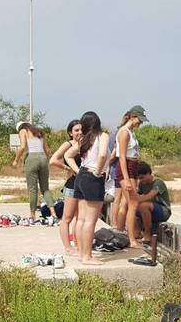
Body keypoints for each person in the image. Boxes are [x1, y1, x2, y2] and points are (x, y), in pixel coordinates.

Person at [65, 112, 110, 265]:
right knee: (90, 220)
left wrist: (78, 171)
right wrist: (98, 171)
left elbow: (68, 155)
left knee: (81, 219)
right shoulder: (102, 136)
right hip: (93, 178)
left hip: (82, 176)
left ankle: (80, 252)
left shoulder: (84, 139)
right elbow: (103, 154)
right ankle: (87, 256)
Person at [113, 105, 148, 248]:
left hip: (132, 167)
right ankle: (131, 238)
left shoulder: (131, 132)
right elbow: (121, 157)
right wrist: (126, 179)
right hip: (126, 167)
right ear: (133, 117)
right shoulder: (124, 132)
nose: (140, 123)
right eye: (139, 120)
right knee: (133, 203)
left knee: (127, 203)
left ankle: (121, 232)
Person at [49, 119, 82, 255]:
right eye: (76, 130)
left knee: (79, 217)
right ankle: (68, 247)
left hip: (83, 185)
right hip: (72, 184)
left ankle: (78, 244)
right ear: (70, 133)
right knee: (67, 218)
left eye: (81, 129)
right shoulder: (68, 144)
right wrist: (67, 167)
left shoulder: (84, 144)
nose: (79, 132)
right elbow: (53, 160)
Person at [12, 122, 55, 219]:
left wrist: (16, 160)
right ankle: (53, 213)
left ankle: (32, 215)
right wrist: (46, 161)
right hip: (43, 158)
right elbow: (47, 150)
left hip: (32, 158)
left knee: (33, 189)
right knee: (45, 189)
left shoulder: (23, 131)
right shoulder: (39, 132)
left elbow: (22, 147)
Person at [135, 161, 171, 243]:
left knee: (143, 205)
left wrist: (136, 200)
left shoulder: (158, 183)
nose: (141, 180)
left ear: (148, 173)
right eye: (139, 178)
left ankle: (147, 234)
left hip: (163, 211)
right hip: (150, 210)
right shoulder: (141, 185)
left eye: (142, 177)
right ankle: (137, 232)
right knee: (133, 207)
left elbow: (150, 196)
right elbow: (138, 195)